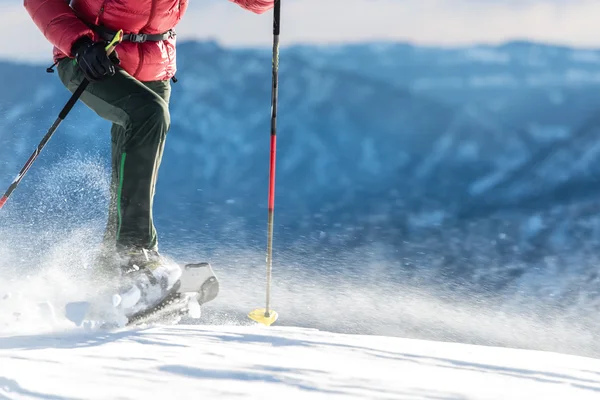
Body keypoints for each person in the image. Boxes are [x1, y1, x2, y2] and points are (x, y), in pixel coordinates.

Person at [23, 0, 275, 297]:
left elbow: (257, 3)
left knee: (132, 172)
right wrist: (78, 43)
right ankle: (133, 256)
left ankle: (106, 283)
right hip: (93, 56)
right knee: (148, 114)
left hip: (155, 67)